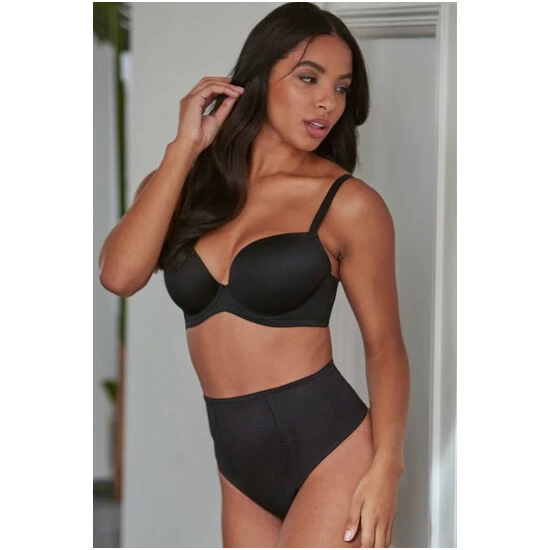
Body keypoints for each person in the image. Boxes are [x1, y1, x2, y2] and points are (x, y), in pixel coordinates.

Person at [99, 2, 410, 547]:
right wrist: (185, 147)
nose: (327, 102)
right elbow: (120, 276)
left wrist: (387, 467)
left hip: (331, 452)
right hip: (238, 466)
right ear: (259, 77)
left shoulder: (348, 204)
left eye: (341, 88)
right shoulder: (186, 182)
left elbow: (385, 348)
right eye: (309, 78)